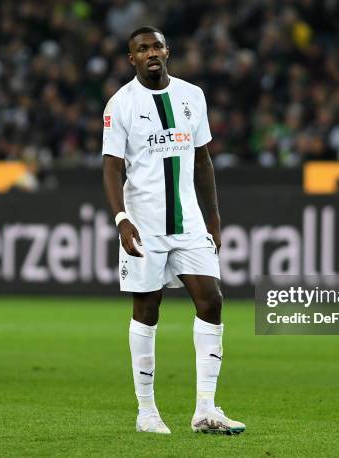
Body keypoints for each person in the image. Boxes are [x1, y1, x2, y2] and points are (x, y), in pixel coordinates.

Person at [102, 26, 245, 435]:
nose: (151, 53)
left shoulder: (191, 96)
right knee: (147, 311)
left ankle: (206, 409)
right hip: (144, 224)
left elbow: (202, 160)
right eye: (142, 48)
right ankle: (146, 412)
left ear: (168, 51)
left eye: (157, 46)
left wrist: (213, 216)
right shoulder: (121, 104)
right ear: (132, 59)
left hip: (188, 223)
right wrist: (121, 218)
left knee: (211, 300)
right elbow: (111, 167)